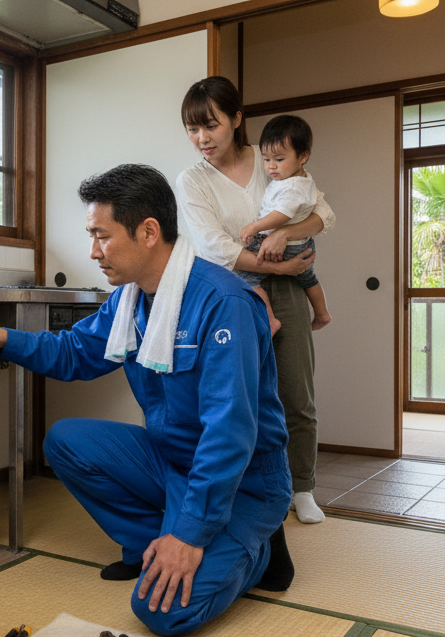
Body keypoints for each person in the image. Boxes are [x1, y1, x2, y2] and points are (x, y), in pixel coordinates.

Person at [0, 164, 295, 637]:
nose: (93, 252)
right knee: (65, 440)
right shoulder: (130, 303)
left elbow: (230, 433)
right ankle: (154, 543)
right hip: (173, 462)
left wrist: (190, 536)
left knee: (161, 612)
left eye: (102, 236)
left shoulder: (222, 303)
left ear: (148, 232)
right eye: (91, 236)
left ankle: (258, 548)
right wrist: (0, 336)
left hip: (244, 480)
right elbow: (72, 353)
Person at [175, 76, 334, 525]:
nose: (201, 138)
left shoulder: (271, 157)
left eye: (211, 126)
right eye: (192, 129)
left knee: (296, 393)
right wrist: (275, 265)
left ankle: (302, 488)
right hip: (229, 291)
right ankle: (254, 490)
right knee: (239, 400)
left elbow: (322, 212)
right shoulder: (193, 180)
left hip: (285, 288)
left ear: (237, 119)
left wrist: (288, 232)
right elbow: (212, 247)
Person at [237, 114, 333, 333]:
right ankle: (322, 313)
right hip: (304, 243)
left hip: (285, 246)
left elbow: (282, 215)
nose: (271, 167)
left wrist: (255, 226)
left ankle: (270, 319)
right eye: (266, 159)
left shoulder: (291, 187)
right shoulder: (303, 178)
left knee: (244, 277)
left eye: (279, 160)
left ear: (303, 156)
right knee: (308, 278)